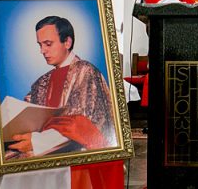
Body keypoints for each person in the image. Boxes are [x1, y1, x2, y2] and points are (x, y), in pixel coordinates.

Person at [7, 16, 116, 158]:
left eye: (48, 44)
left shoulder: (85, 71)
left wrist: (37, 142)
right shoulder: (41, 82)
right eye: (40, 45)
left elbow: (84, 126)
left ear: (67, 42)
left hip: (73, 160)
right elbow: (26, 117)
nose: (42, 51)